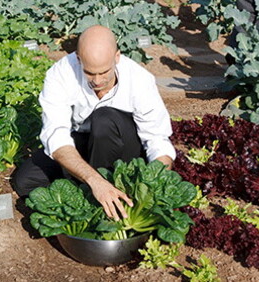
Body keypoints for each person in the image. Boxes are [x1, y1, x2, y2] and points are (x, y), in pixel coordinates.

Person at [12, 25, 176, 221]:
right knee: (25, 181)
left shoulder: (139, 80)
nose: (97, 80)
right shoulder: (60, 74)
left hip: (124, 146)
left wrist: (151, 184)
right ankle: (90, 194)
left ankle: (109, 199)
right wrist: (94, 180)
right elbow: (56, 136)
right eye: (89, 73)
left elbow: (157, 139)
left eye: (104, 72)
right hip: (83, 140)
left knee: (104, 119)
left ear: (117, 57)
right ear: (78, 59)